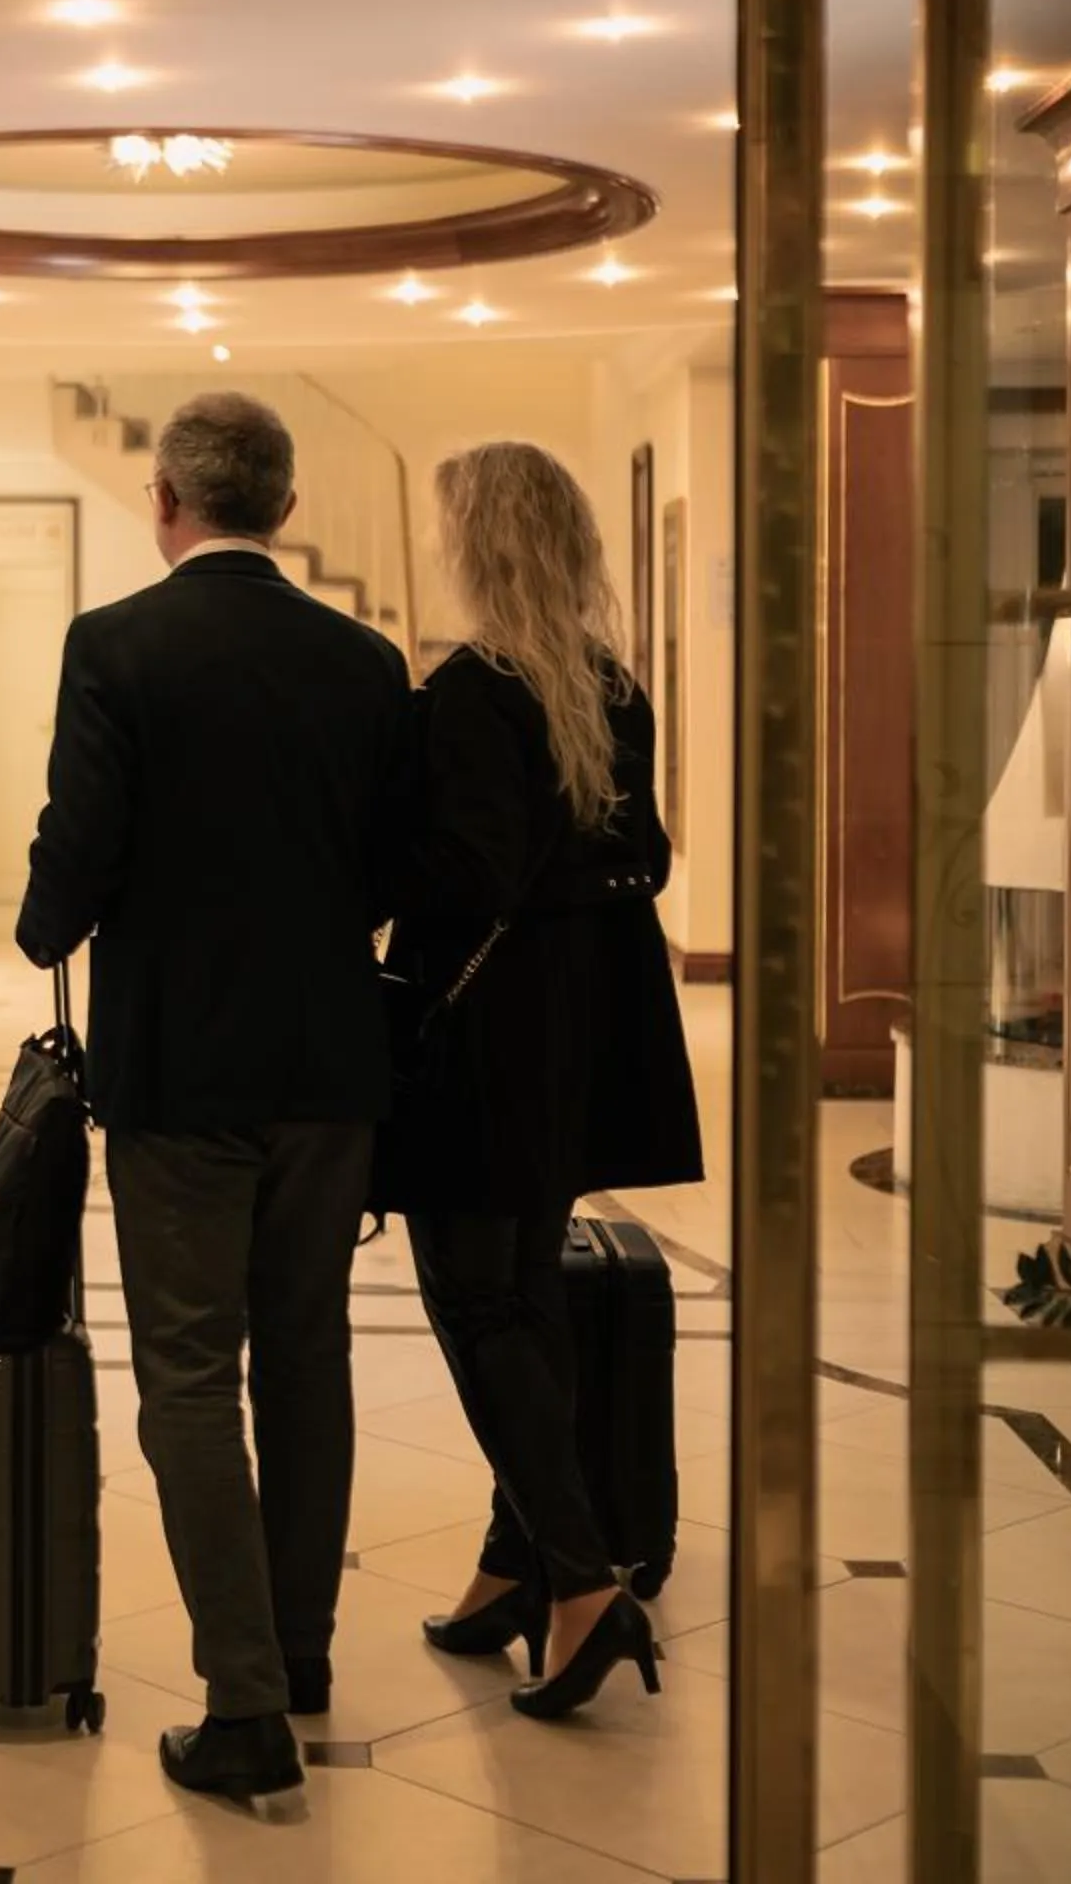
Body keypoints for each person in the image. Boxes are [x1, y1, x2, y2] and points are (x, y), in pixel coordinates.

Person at [15, 392, 414, 1813]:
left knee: (189, 1375)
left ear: (166, 501)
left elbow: (85, 839)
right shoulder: (367, 664)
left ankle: (244, 1704)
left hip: (180, 1067)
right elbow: (390, 870)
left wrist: (42, 922)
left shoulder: (117, 646)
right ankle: (294, 1656)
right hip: (328, 1066)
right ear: (286, 510)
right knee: (307, 1357)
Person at [380, 439, 702, 1722]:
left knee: (477, 1294)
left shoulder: (470, 689)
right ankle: (515, 1564)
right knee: (526, 1290)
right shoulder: (610, 683)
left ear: (488, 545)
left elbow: (466, 876)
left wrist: (379, 850)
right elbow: (652, 854)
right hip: (591, 1026)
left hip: (490, 1033)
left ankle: (577, 1584)